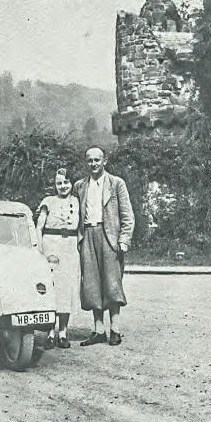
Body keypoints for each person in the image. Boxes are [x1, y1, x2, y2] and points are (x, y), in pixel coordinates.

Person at [73, 146, 135, 346]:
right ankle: (98, 330)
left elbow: (127, 215)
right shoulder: (79, 186)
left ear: (104, 161)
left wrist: (124, 239)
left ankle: (115, 329)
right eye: (90, 160)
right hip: (87, 236)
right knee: (91, 284)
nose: (93, 164)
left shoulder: (116, 183)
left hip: (110, 237)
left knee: (112, 283)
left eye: (97, 160)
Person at [36, 168, 80, 349]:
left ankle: (63, 332)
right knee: (51, 288)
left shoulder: (77, 201)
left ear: (72, 183)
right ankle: (50, 333)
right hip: (51, 246)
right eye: (59, 183)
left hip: (69, 246)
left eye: (66, 182)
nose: (63, 186)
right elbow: (39, 227)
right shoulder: (48, 201)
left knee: (66, 289)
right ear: (55, 185)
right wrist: (39, 249)